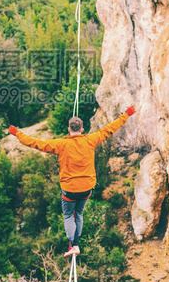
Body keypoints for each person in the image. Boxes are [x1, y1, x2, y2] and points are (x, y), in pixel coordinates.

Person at [8, 107, 136, 257]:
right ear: (82, 129)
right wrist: (126, 114)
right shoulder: (91, 140)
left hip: (69, 189)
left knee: (69, 215)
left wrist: (17, 133)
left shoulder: (61, 144)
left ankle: (74, 245)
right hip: (86, 188)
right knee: (79, 214)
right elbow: (110, 129)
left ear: (69, 129)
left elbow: (36, 143)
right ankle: (76, 243)